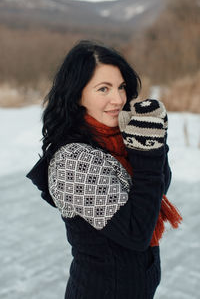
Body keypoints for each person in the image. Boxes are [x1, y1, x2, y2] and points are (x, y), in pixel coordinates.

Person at [26, 39, 182, 299]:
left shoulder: (119, 137)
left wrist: (156, 143)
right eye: (103, 89)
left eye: (121, 87)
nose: (118, 99)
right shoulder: (73, 160)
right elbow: (135, 233)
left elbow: (156, 190)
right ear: (78, 94)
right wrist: (147, 152)